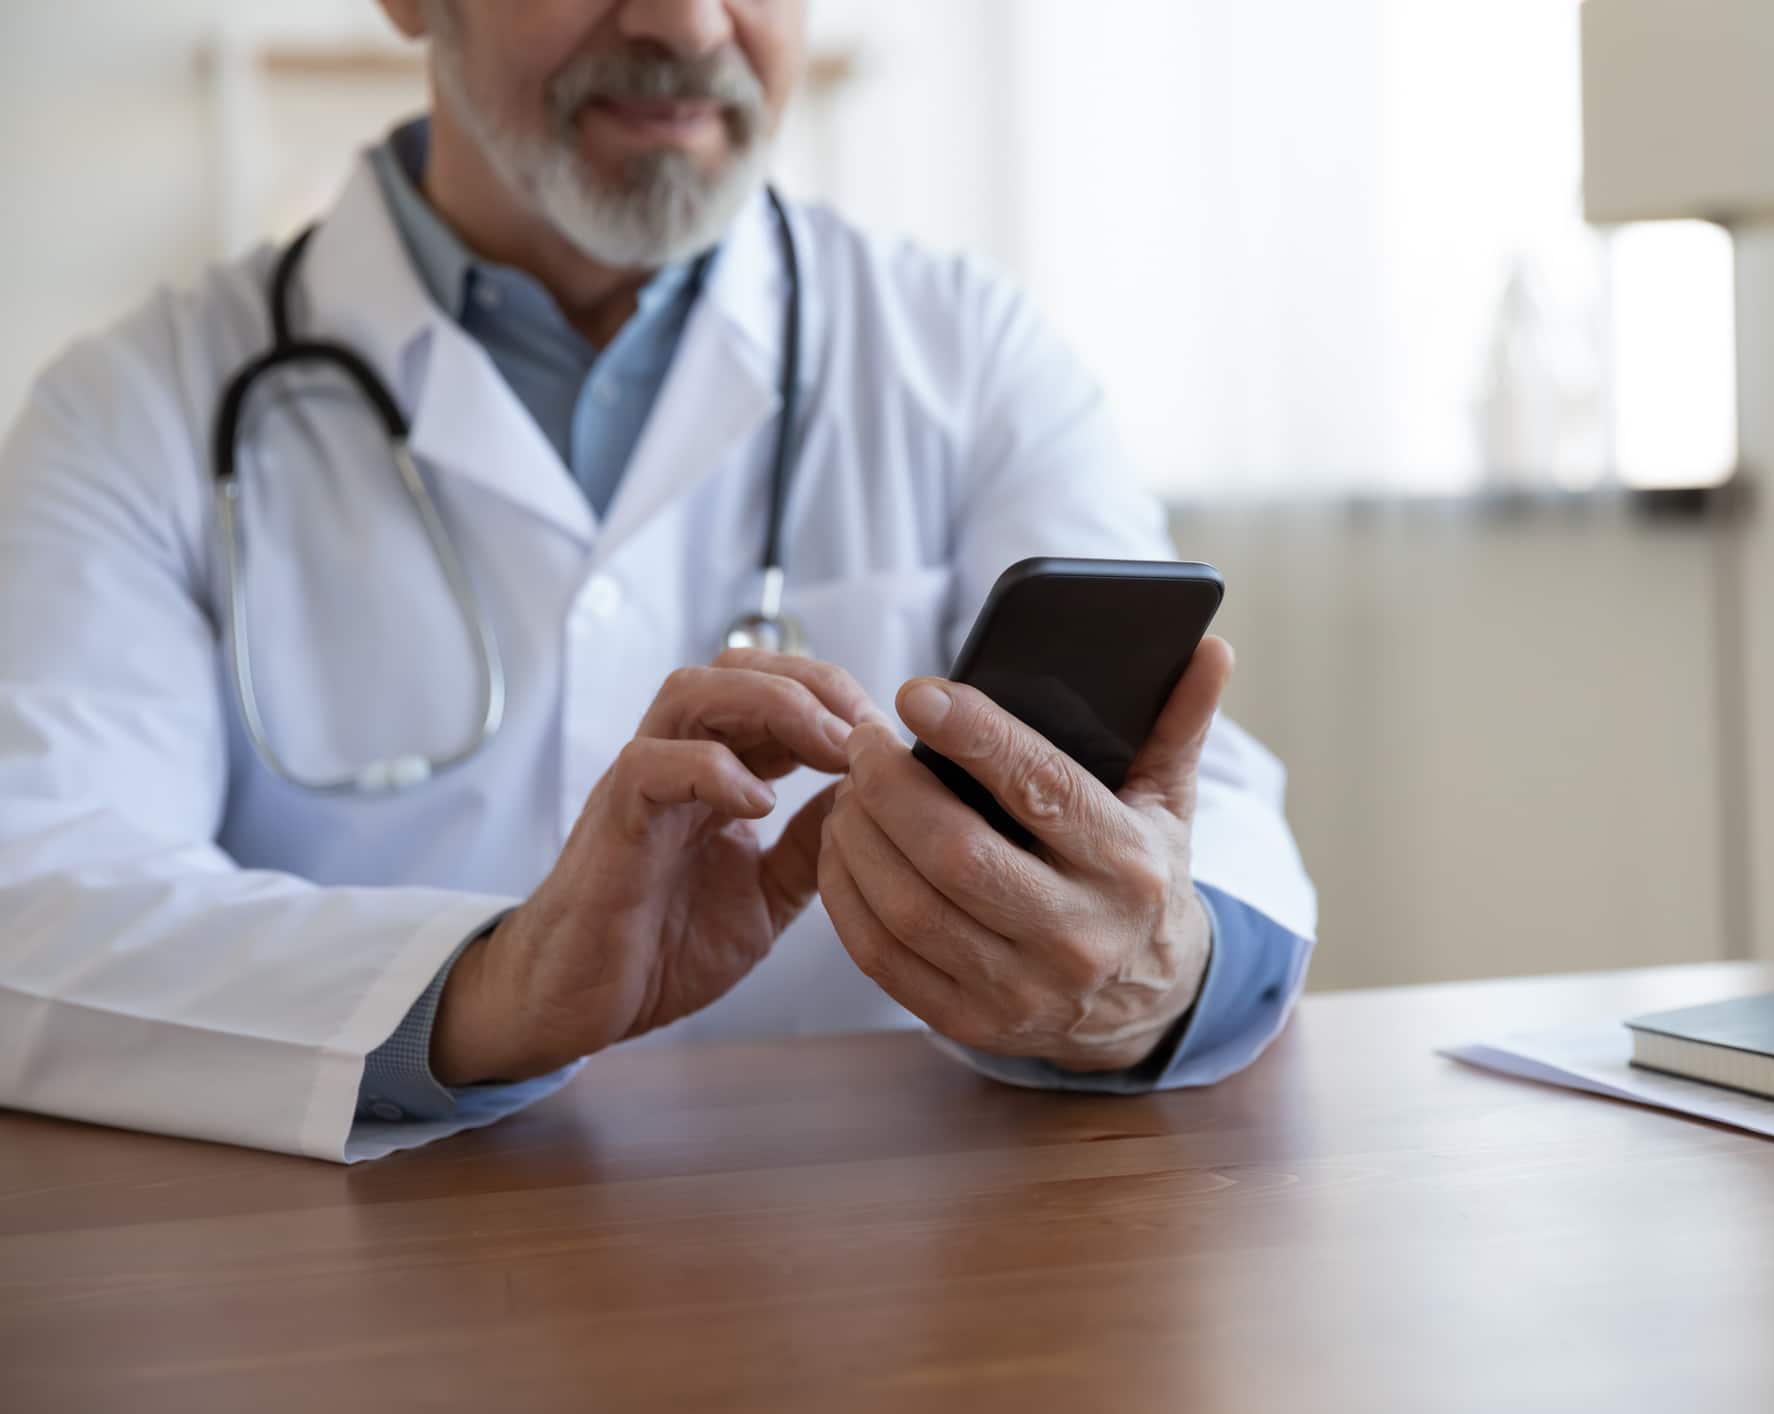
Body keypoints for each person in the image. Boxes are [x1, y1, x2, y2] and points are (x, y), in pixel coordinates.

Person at [0, 0, 1316, 1161]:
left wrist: (1157, 965)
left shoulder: (968, 353)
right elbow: (36, 898)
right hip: (364, 1304)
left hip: (892, 1287)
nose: (688, 24)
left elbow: (1202, 817)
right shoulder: (136, 413)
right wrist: (489, 985)